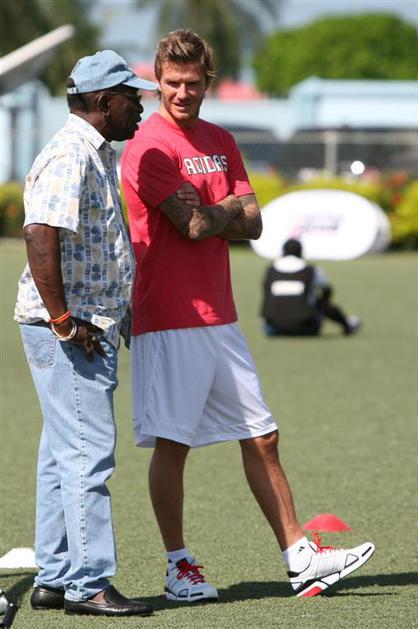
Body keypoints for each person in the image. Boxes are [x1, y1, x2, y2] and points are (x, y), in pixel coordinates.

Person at [121, 29, 374, 601]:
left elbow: (254, 222)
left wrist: (219, 210)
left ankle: (299, 557)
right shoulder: (147, 146)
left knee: (263, 435)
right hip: (169, 315)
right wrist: (226, 208)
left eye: (192, 83)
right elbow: (192, 226)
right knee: (173, 444)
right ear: (157, 81)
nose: (181, 93)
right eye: (171, 83)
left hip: (221, 315)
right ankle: (178, 567)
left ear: (207, 82)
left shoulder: (221, 139)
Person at [14, 50, 158, 617]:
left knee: (62, 454)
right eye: (132, 98)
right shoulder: (72, 153)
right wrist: (63, 319)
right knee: (87, 455)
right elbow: (39, 233)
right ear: (104, 101)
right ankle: (89, 583)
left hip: (82, 325)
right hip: (71, 331)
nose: (140, 107)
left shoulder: (92, 152)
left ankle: (54, 577)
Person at [261, 238, 362, 337]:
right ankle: (347, 324)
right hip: (306, 328)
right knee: (320, 302)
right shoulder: (312, 270)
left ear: (283, 252)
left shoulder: (270, 270)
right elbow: (327, 290)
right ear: (301, 253)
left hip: (272, 329)